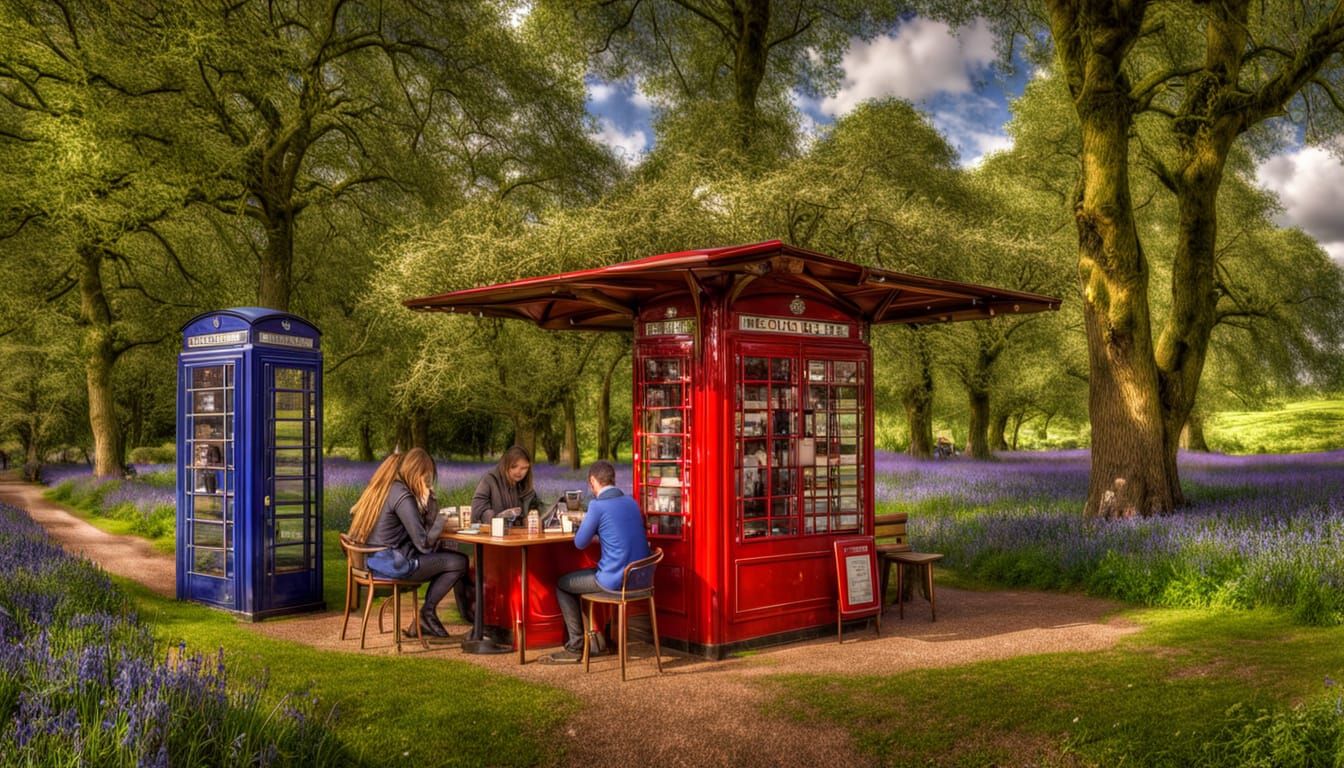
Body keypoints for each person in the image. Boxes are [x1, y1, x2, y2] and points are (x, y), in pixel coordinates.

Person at [348, 448, 471, 641]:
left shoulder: (387, 489)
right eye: (426, 476)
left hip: (374, 562)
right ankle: (427, 614)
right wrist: (441, 517)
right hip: (393, 565)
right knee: (459, 562)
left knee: (447, 557)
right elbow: (424, 545)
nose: (427, 481)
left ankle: (426, 616)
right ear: (417, 472)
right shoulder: (403, 496)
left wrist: (428, 504)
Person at [541, 460, 650, 664]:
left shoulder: (597, 506)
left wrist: (587, 524)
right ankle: (602, 638)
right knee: (592, 572)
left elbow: (580, 543)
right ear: (613, 479)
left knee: (562, 585)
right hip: (640, 579)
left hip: (614, 580)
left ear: (592, 481)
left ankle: (575, 647)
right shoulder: (631, 502)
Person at [470, 445, 542, 526]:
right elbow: (477, 511)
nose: (518, 472)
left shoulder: (526, 487)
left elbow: (536, 511)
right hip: (493, 532)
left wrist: (531, 519)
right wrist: (496, 518)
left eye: (524, 468)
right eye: (514, 467)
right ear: (505, 465)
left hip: (520, 533)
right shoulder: (490, 480)